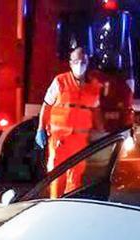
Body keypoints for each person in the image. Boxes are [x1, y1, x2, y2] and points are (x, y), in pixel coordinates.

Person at [36, 46, 103, 198]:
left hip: (79, 141)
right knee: (57, 175)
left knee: (75, 178)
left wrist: (101, 131)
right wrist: (40, 128)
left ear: (88, 63)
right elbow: (47, 105)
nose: (80, 65)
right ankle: (55, 204)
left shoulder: (93, 86)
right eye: (76, 61)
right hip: (60, 140)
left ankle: (70, 204)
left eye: (83, 61)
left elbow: (96, 109)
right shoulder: (60, 81)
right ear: (70, 63)